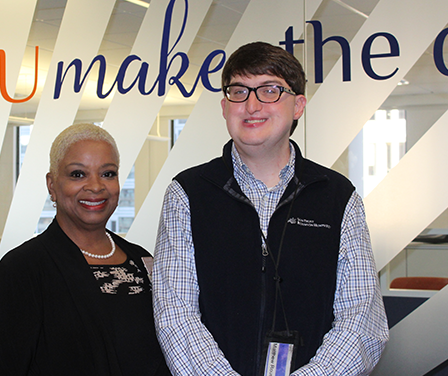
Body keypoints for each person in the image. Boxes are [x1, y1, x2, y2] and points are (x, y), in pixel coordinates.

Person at [153, 42, 389, 376]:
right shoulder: (188, 194)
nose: (251, 105)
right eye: (239, 91)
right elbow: (176, 314)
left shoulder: (337, 197)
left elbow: (362, 319)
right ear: (224, 106)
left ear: (298, 106)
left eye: (270, 90)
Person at [0, 123, 170, 375]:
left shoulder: (141, 260)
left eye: (108, 173)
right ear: (52, 185)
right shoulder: (23, 270)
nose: (96, 186)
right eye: (78, 174)